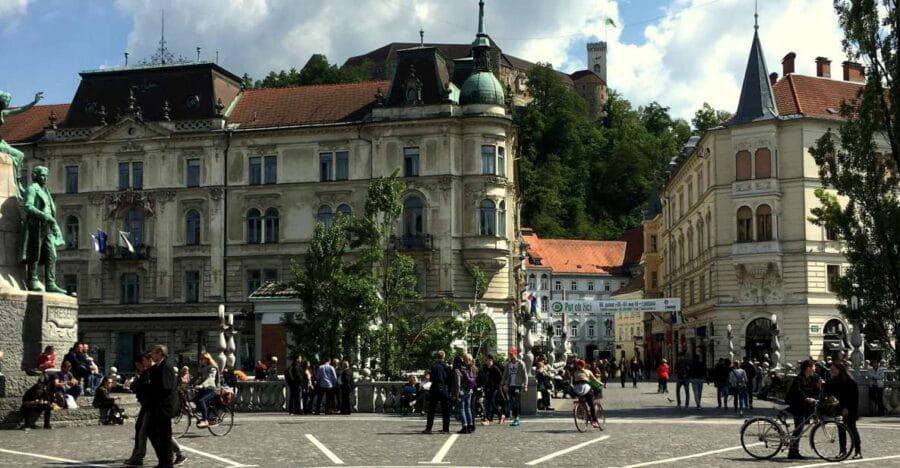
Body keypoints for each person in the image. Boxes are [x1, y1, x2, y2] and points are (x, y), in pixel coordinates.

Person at [125, 353, 186, 467]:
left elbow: (160, 388)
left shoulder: (158, 370)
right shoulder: (149, 371)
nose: (140, 366)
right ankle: (146, 457)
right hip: (148, 405)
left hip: (155, 406)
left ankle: (172, 456)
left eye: (141, 363)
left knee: (156, 432)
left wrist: (138, 386)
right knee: (151, 431)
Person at [20, 165, 68, 294]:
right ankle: (32, 280)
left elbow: (50, 210)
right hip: (36, 225)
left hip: (47, 227)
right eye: (42, 175)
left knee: (52, 255)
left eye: (46, 176)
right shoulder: (32, 189)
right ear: (35, 176)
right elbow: (28, 206)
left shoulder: (46, 191)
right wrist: (43, 215)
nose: (45, 178)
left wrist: (52, 223)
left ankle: (50, 284)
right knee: (34, 253)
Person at [146, 345, 179, 468]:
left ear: (160, 353)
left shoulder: (166, 366)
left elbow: (167, 387)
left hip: (164, 407)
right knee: (154, 433)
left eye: (153, 352)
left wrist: (151, 390)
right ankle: (163, 461)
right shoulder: (157, 367)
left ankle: (167, 462)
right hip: (156, 406)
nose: (151, 355)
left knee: (164, 435)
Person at [785, 359, 822, 459]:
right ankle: (793, 451)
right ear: (808, 368)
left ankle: (793, 449)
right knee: (799, 428)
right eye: (813, 367)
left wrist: (818, 386)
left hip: (805, 406)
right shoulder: (799, 379)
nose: (815, 369)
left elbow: (815, 392)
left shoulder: (813, 377)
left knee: (801, 427)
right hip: (797, 406)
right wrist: (806, 398)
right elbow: (798, 392)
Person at [824, 361, 861, 459]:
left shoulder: (850, 381)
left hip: (850, 409)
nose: (832, 371)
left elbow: (853, 397)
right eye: (831, 370)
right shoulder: (832, 381)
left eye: (834, 369)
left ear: (840, 370)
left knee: (852, 429)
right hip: (838, 408)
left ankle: (858, 451)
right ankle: (842, 451)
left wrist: (847, 408)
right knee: (841, 429)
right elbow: (829, 394)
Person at [423, 350, 452, 434]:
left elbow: (431, 378)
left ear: (437, 357)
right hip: (445, 389)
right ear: (444, 357)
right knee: (446, 410)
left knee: (431, 410)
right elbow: (450, 379)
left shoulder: (434, 366)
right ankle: (446, 429)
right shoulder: (447, 366)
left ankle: (429, 428)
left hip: (435, 388)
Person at [501, 348, 528, 427]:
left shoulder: (521, 363)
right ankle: (515, 417)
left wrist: (525, 385)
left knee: (515, 401)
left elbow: (525, 375)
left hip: (518, 385)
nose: (510, 355)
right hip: (510, 385)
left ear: (515, 354)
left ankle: (517, 418)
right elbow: (505, 374)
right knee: (512, 402)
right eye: (509, 354)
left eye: (511, 354)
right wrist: (503, 384)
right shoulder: (508, 364)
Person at [572, 359, 603, 428]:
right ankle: (594, 421)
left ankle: (582, 411)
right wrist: (601, 383)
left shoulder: (575, 372)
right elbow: (594, 379)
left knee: (581, 400)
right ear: (584, 365)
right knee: (591, 405)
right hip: (586, 387)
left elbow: (575, 380)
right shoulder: (588, 371)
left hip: (577, 389)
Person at [192, 352, 219, 429]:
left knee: (201, 401)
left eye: (202, 359)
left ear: (207, 359)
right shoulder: (202, 368)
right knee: (195, 399)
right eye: (200, 359)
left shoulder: (213, 367)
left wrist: (202, 385)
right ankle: (206, 414)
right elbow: (197, 378)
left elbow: (210, 378)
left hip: (211, 389)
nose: (201, 360)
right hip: (204, 389)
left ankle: (205, 420)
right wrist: (189, 384)